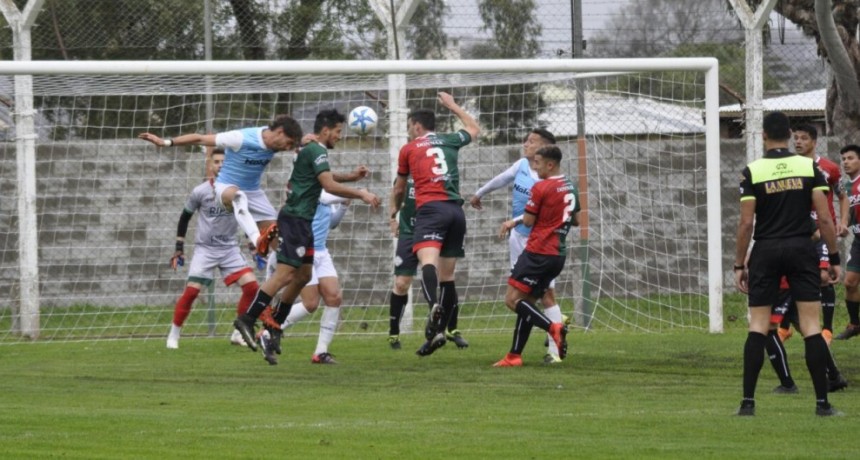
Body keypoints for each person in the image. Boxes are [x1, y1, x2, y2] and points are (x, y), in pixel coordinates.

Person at [232, 109, 380, 365]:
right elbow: (329, 185)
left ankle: (275, 324)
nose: (339, 136)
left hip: (304, 222)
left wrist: (352, 176)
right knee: (286, 274)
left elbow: (323, 176)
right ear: (326, 130)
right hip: (295, 219)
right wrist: (361, 193)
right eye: (337, 131)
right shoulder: (316, 150)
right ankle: (247, 318)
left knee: (303, 275)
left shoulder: (312, 150)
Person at [733, 111, 841, 416]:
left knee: (758, 325)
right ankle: (822, 404)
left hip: (766, 250)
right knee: (810, 326)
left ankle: (747, 404)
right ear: (790, 135)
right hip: (801, 248)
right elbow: (824, 217)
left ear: (763, 135)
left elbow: (745, 224)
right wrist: (832, 258)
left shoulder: (751, 171)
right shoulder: (808, 167)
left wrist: (739, 265)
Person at [390, 91, 480, 357]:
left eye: (409, 127)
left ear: (417, 126)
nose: (408, 131)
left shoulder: (408, 149)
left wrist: (395, 210)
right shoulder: (450, 140)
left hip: (431, 210)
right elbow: (474, 128)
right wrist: (453, 105)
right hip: (456, 211)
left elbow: (399, 187)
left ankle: (433, 307)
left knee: (427, 263)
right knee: (448, 277)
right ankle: (438, 332)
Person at [139, 115, 304, 257]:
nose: (288, 148)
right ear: (280, 132)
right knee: (238, 196)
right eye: (288, 143)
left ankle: (279, 277)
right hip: (226, 188)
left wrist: (309, 140)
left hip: (254, 192)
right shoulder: (240, 138)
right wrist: (166, 142)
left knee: (280, 246)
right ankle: (256, 240)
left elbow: (300, 141)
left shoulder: (277, 142)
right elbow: (200, 138)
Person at [469, 128, 568, 364]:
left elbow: (536, 213)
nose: (525, 144)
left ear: (543, 148)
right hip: (519, 241)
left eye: (531, 142)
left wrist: (512, 222)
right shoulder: (522, 165)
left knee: (540, 296)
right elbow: (502, 178)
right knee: (527, 299)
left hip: (538, 245)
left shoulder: (546, 181)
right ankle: (517, 353)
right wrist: (479, 193)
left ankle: (554, 345)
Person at [493, 145, 578, 367]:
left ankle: (554, 328)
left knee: (512, 300)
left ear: (550, 164)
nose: (534, 166)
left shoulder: (541, 187)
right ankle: (514, 355)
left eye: (538, 162)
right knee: (528, 303)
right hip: (557, 256)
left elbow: (529, 221)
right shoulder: (570, 185)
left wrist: (531, 217)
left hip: (538, 252)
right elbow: (576, 220)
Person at [165, 149, 259, 349]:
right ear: (210, 165)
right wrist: (179, 246)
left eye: (224, 161)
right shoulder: (200, 191)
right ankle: (174, 334)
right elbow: (185, 217)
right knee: (191, 292)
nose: (220, 165)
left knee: (252, 287)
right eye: (216, 161)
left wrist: (253, 245)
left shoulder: (237, 192)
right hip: (205, 250)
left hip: (229, 249)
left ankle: (237, 332)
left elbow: (245, 218)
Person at [264, 190, 358, 364]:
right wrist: (358, 193)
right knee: (311, 303)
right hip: (302, 252)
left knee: (334, 297)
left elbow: (331, 223)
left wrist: (344, 205)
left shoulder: (327, 191)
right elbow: (321, 197)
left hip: (321, 251)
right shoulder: (307, 188)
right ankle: (270, 329)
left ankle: (321, 352)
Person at [780, 124, 846, 344]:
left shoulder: (829, 168)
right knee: (788, 275)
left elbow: (842, 196)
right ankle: (784, 326)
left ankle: (826, 329)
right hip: (798, 230)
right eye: (796, 138)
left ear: (814, 141)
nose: (798, 142)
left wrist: (843, 221)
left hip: (823, 231)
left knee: (824, 277)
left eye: (804, 138)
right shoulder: (788, 166)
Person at [387, 178, 468, 350]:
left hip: (435, 229)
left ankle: (451, 329)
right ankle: (394, 334)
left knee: (446, 276)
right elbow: (396, 191)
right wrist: (392, 218)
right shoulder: (407, 171)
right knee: (401, 283)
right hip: (408, 232)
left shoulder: (439, 171)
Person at [837, 144, 860, 340]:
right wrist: (844, 224)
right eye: (844, 159)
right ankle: (854, 325)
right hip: (858, 241)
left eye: (850, 158)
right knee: (850, 283)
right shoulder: (845, 187)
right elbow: (848, 212)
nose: (846, 162)